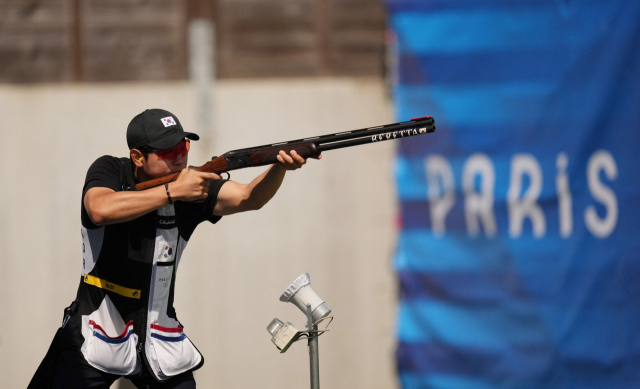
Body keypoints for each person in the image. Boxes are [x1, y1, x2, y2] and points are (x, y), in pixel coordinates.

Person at [29, 108, 319, 388]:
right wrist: (172, 192)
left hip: (160, 336)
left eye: (183, 146)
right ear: (137, 157)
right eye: (168, 151)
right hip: (95, 328)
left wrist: (279, 167)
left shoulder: (192, 186)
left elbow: (248, 198)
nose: (179, 156)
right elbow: (99, 208)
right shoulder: (110, 169)